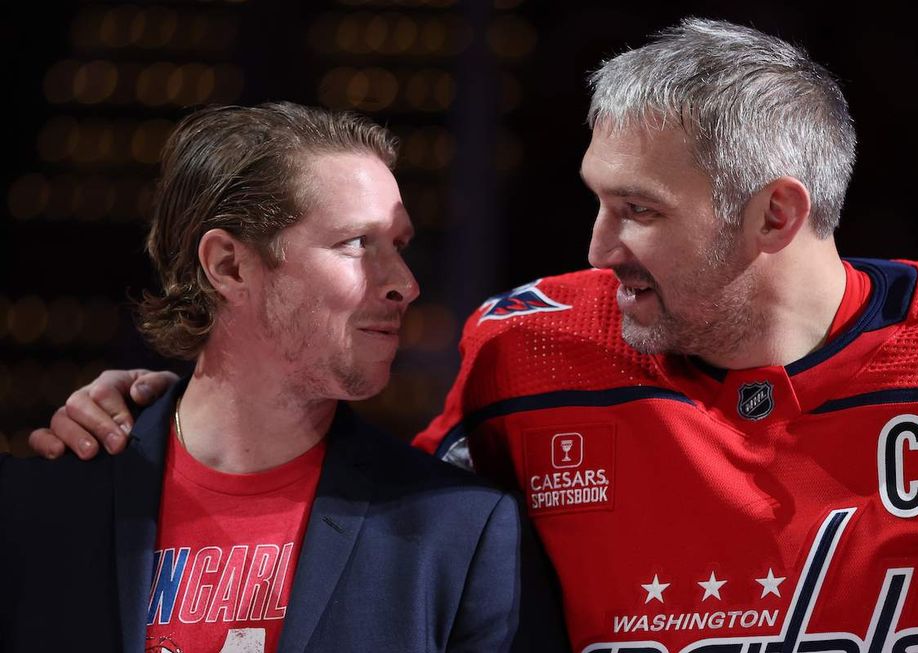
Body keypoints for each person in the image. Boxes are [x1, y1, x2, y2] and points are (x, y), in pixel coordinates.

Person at [28, 19, 918, 653]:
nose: (598, 245)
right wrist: (158, 415)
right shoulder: (527, 350)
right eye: (596, 199)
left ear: (776, 216)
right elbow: (361, 520)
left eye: (637, 208)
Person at [1, 102, 564, 652]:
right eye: (355, 244)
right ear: (229, 266)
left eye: (398, 246)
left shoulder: (463, 534)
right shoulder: (36, 510)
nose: (405, 284)